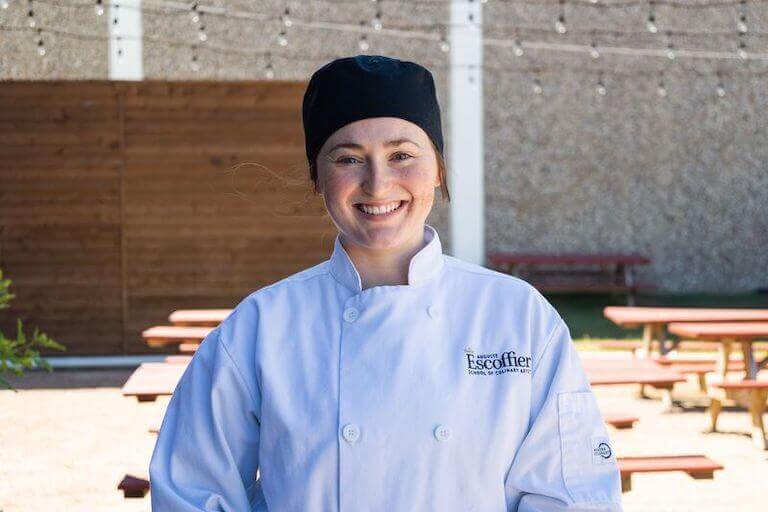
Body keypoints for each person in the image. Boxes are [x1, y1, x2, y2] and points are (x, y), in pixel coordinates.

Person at [149, 55, 623, 511]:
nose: (378, 184)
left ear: (437, 169)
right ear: (317, 176)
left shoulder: (517, 315)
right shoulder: (260, 327)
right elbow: (192, 491)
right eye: (348, 158)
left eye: (401, 154)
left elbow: (573, 493)